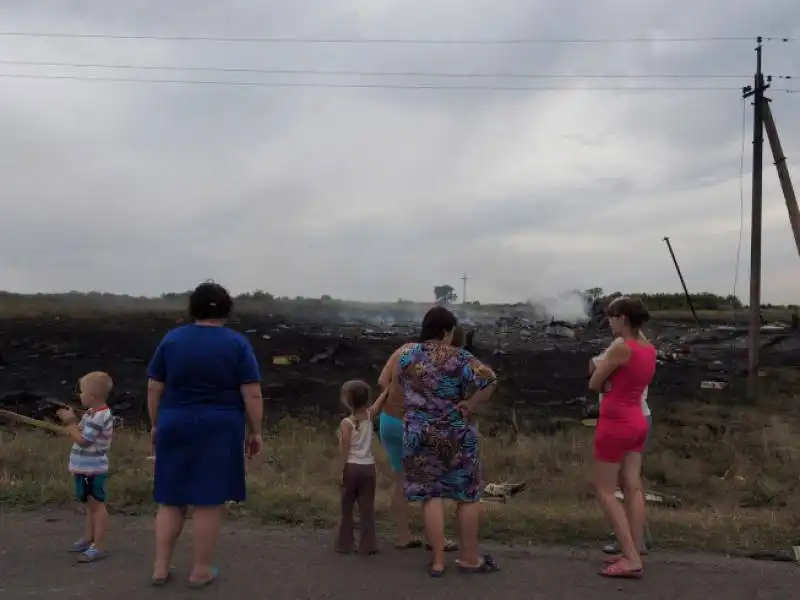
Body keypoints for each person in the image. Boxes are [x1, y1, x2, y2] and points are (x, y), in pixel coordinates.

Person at [146, 282, 264, 588]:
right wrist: (256, 431)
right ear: (227, 309)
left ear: (192, 308)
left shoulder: (171, 340)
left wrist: (156, 423)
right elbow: (251, 393)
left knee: (171, 498)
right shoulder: (236, 344)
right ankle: (200, 570)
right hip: (220, 427)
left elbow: (154, 387)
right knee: (208, 500)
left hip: (175, 421)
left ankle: (161, 566)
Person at [396, 306, 499, 577]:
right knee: (466, 496)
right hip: (456, 435)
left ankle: (438, 561)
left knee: (430, 496)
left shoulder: (406, 355)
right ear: (446, 331)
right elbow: (489, 379)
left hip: (417, 433)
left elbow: (399, 385)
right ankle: (469, 558)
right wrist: (471, 403)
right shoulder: (461, 358)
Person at [377, 328, 462, 552]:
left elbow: (382, 380)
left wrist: (396, 399)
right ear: (443, 334)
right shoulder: (439, 358)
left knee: (400, 480)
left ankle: (403, 536)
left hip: (388, 421)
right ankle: (435, 539)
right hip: (415, 425)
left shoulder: (402, 350)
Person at [589, 296, 656, 579]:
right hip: (638, 421)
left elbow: (594, 383)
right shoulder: (649, 348)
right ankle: (635, 548)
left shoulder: (621, 348)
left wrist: (604, 380)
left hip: (616, 422)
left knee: (605, 491)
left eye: (612, 316)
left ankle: (630, 558)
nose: (609, 320)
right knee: (633, 486)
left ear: (623, 319)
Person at [57, 371, 115, 563]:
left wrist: (70, 423)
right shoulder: (91, 414)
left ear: (92, 396)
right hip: (84, 467)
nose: (79, 395)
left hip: (93, 469)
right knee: (90, 506)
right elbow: (82, 431)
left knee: (97, 506)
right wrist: (74, 425)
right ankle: (89, 538)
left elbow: (84, 440)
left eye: (81, 392)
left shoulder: (101, 416)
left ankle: (99, 545)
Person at [335, 380, 388, 554]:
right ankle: (368, 545)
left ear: (348, 400)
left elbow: (344, 449)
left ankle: (345, 543)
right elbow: (379, 403)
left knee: (347, 507)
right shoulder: (370, 416)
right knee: (367, 508)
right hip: (368, 468)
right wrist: (387, 390)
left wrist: (340, 471)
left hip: (351, 468)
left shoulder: (346, 423)